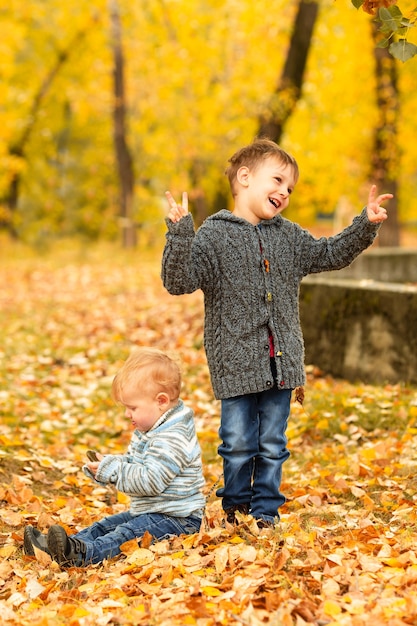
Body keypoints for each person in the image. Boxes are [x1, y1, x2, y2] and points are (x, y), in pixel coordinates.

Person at [161, 138, 391, 528]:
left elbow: (329, 253)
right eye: (279, 180)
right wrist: (180, 233)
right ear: (246, 177)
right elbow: (178, 281)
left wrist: (364, 224)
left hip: (281, 364)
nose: (284, 192)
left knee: (272, 445)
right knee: (237, 445)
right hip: (235, 363)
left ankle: (265, 513)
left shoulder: (288, 236)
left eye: (290, 188)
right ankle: (235, 509)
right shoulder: (215, 235)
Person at [24, 348, 205, 567]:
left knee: (126, 534)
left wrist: (113, 471)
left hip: (179, 520)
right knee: (106, 525)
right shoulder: (151, 429)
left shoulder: (172, 438)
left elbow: (151, 481)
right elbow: (134, 466)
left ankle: (81, 555)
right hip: (154, 512)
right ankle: (56, 548)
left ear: (161, 401)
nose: (127, 414)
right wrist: (105, 468)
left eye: (132, 407)